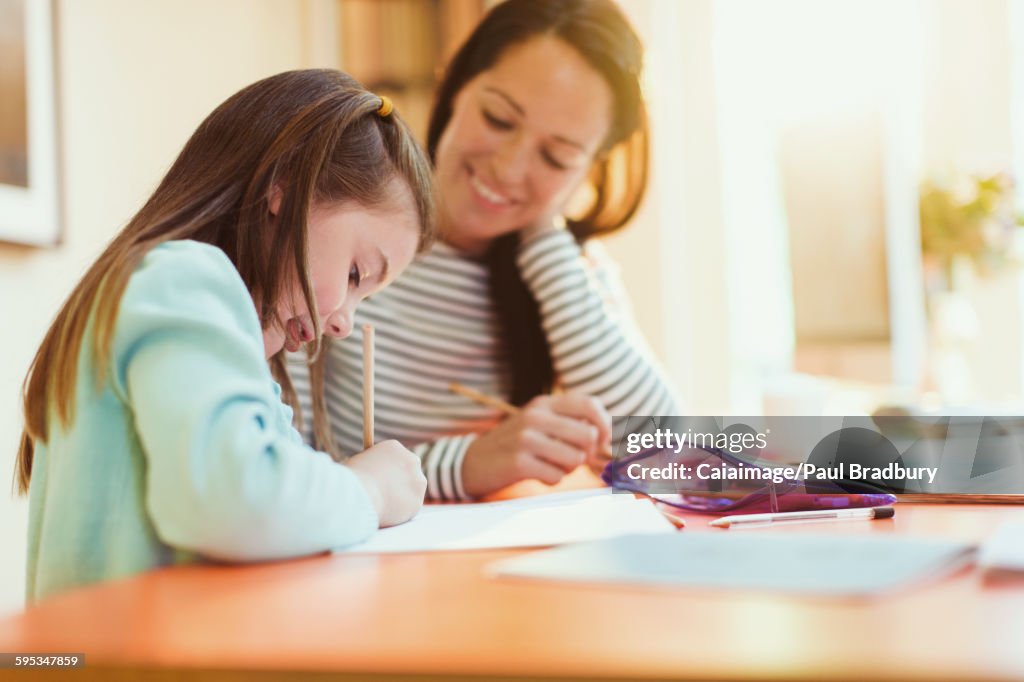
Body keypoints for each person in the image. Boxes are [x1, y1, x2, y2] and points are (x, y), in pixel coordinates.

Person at [15, 69, 434, 601]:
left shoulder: (208, 327)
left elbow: (272, 494)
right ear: (283, 191)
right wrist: (369, 489)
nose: (344, 323)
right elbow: (235, 500)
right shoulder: (183, 279)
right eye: (354, 275)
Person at [291, 0, 679, 500]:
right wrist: (467, 464)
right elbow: (287, 469)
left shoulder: (569, 274)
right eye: (498, 118)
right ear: (455, 89)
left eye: (556, 156)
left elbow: (669, 456)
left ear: (589, 169)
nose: (509, 167)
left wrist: (544, 238)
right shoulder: (344, 231)